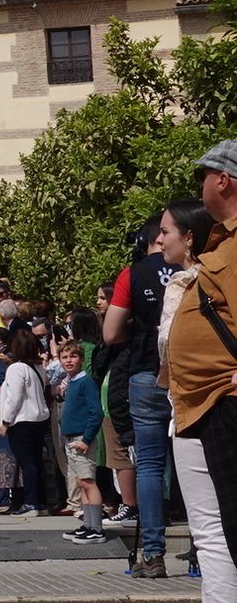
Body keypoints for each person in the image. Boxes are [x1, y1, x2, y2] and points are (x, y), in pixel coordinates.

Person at [168, 147, 237, 595]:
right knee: (221, 531)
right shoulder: (224, 241)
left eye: (204, 176)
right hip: (205, 404)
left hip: (225, 402)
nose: (201, 185)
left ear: (224, 181)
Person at [103, 214, 179, 577]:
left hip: (147, 373)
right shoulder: (193, 268)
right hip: (188, 374)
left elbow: (110, 333)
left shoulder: (131, 274)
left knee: (148, 463)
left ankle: (152, 552)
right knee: (195, 462)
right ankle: (203, 549)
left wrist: (138, 325)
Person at [55, 340, 105, 543]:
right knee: (81, 482)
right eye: (64, 357)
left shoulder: (85, 382)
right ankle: (89, 524)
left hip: (80, 440)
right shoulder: (72, 381)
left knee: (88, 482)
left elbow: (96, 412)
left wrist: (86, 439)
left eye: (73, 356)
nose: (68, 360)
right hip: (71, 440)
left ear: (82, 359)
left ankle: (97, 528)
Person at [0, 328, 51, 517]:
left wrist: (5, 421)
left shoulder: (16, 368)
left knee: (27, 463)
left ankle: (31, 503)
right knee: (36, 462)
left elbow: (14, 398)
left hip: (22, 420)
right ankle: (41, 502)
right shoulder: (37, 367)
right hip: (40, 419)